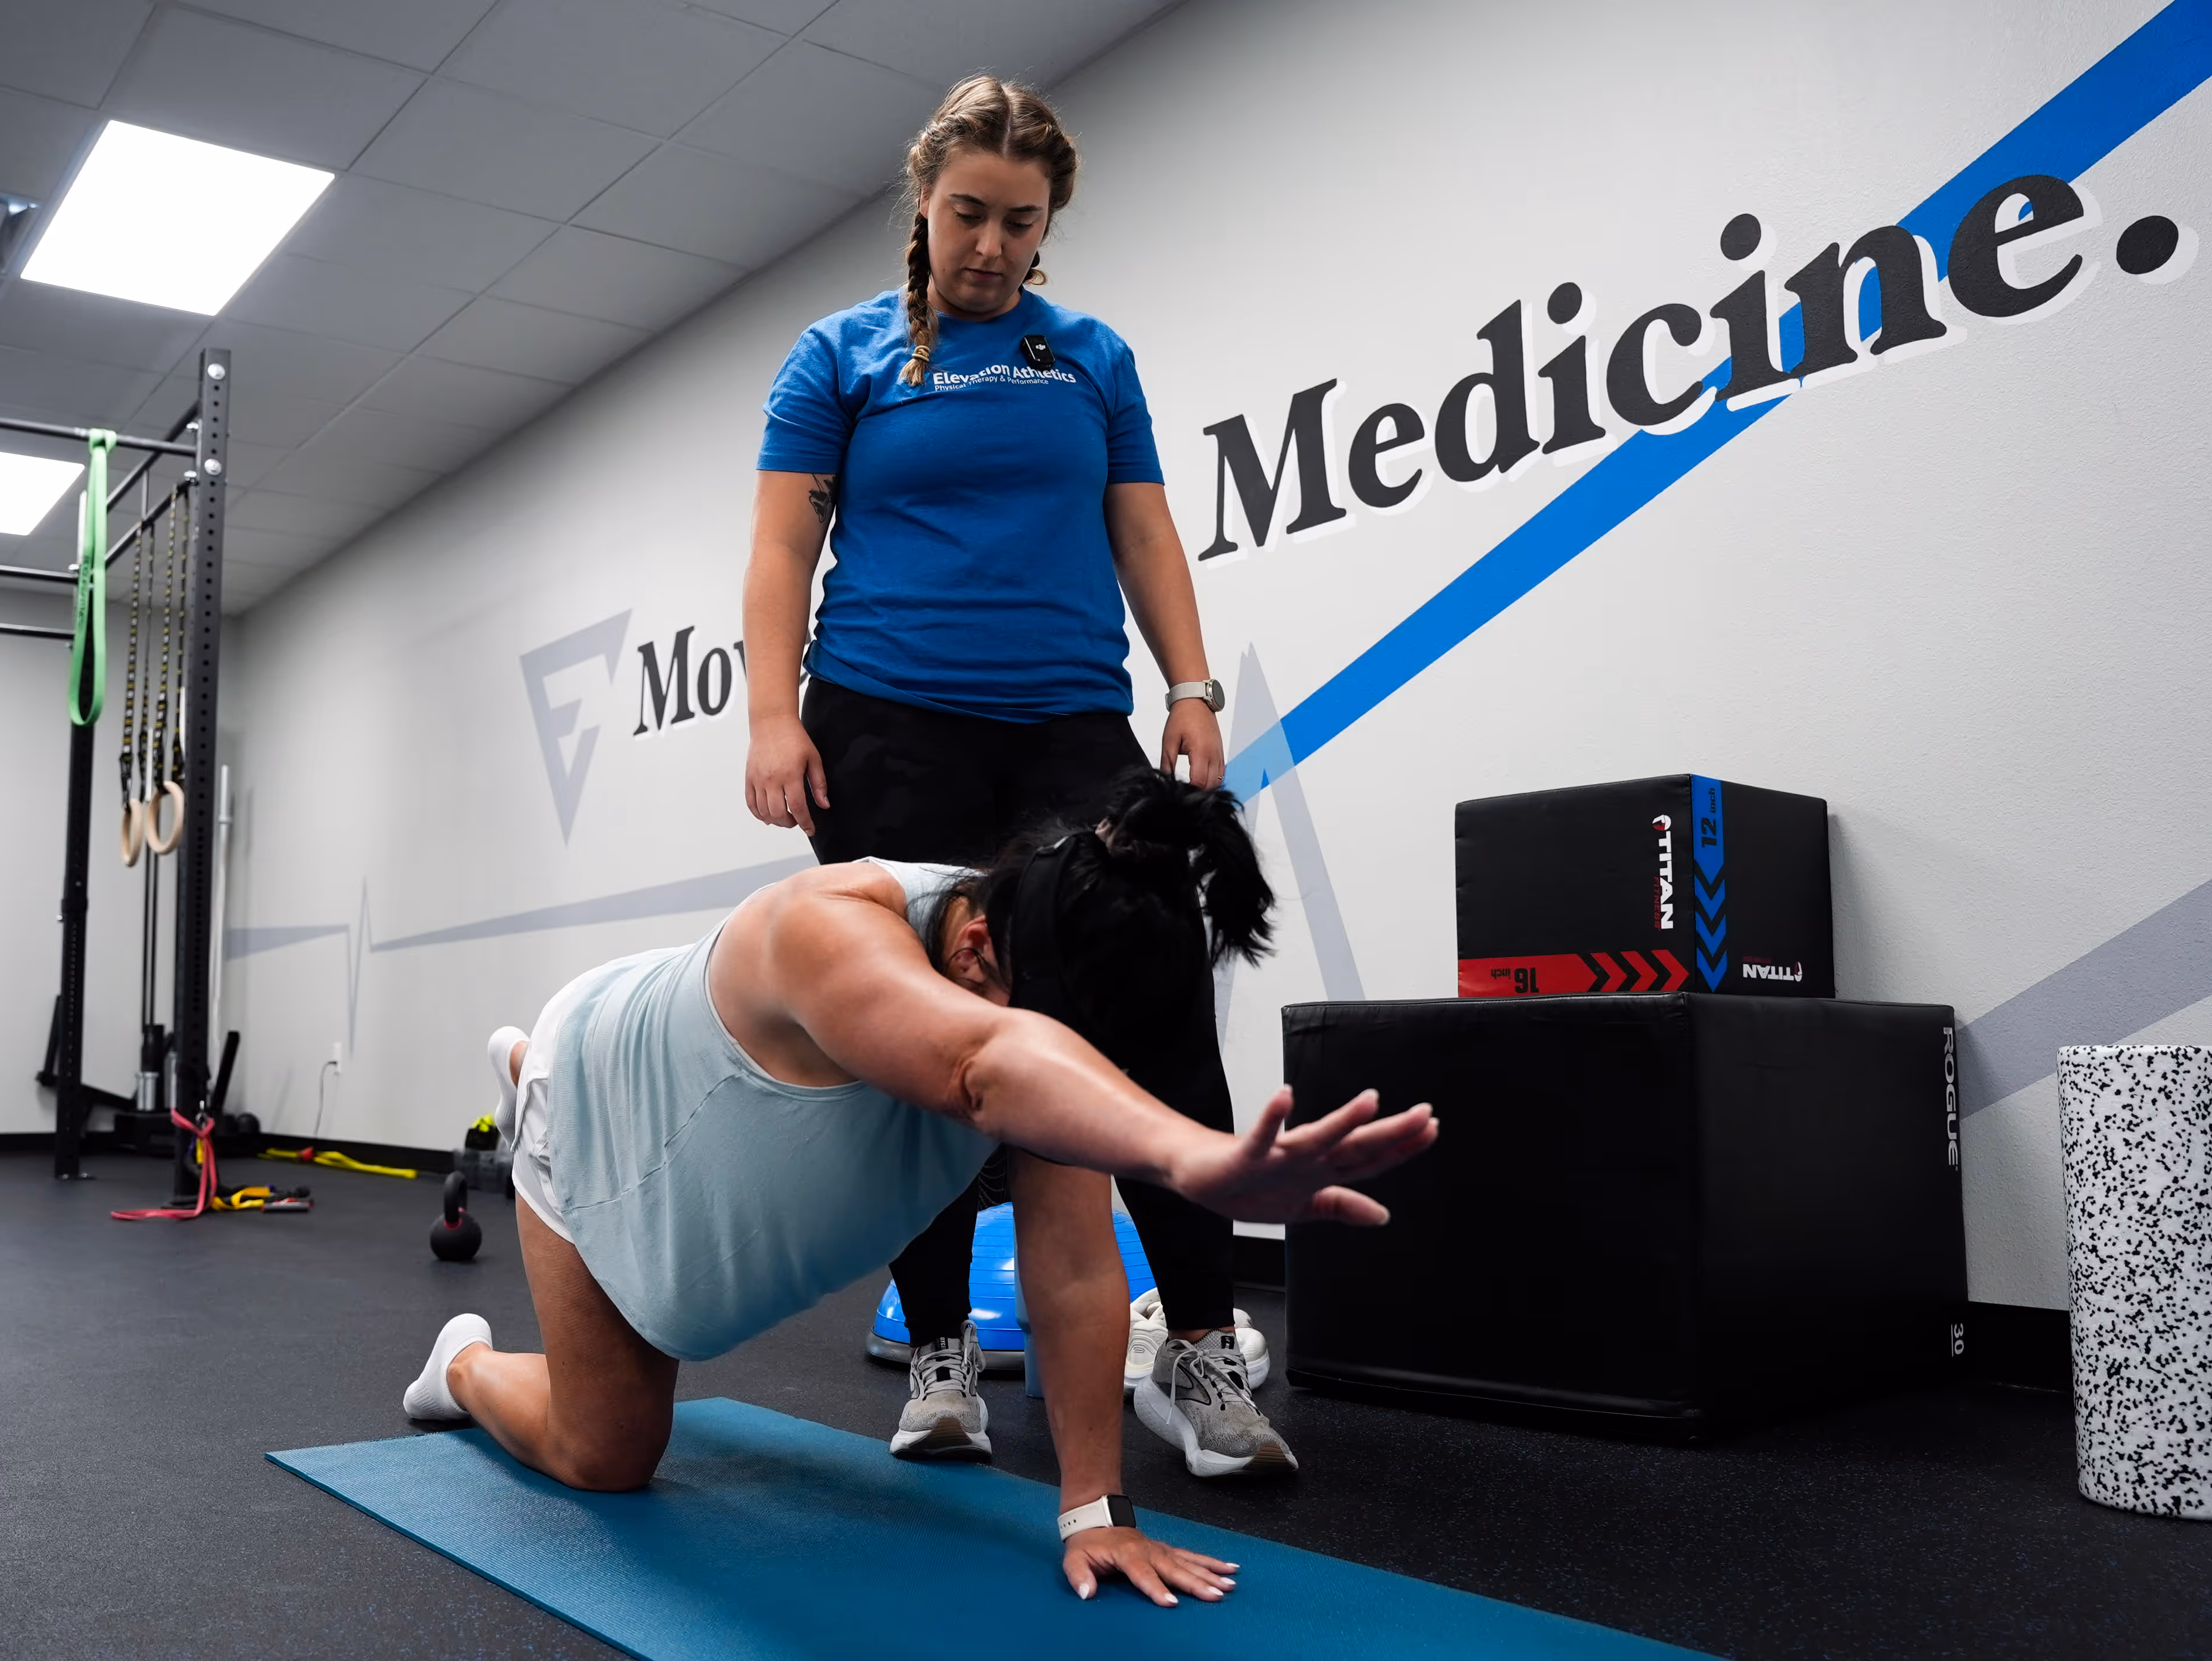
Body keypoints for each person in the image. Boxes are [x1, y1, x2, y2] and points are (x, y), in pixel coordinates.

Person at [401, 774, 1438, 1605]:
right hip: (592, 1112)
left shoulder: (1031, 981)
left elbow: (1075, 1271)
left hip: (709, 1140)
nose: (1076, 1070)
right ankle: (468, 1363)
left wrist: (1096, 1513)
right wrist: (1183, 1154)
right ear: (977, 946)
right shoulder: (832, 922)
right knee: (607, 1455)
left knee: (669, 1350)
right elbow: (980, 1066)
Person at [740, 74, 1278, 1479]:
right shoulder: (838, 356)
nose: (987, 245)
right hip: (883, 730)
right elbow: (782, 555)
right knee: (918, 1042)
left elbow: (1144, 536)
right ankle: (939, 1359)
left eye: (1017, 222)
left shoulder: (1088, 357)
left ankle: (1205, 1352)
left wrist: (1192, 689)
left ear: (1051, 228)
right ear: (921, 204)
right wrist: (768, 715)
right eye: (965, 214)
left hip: (1066, 734)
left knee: (1153, 1018)